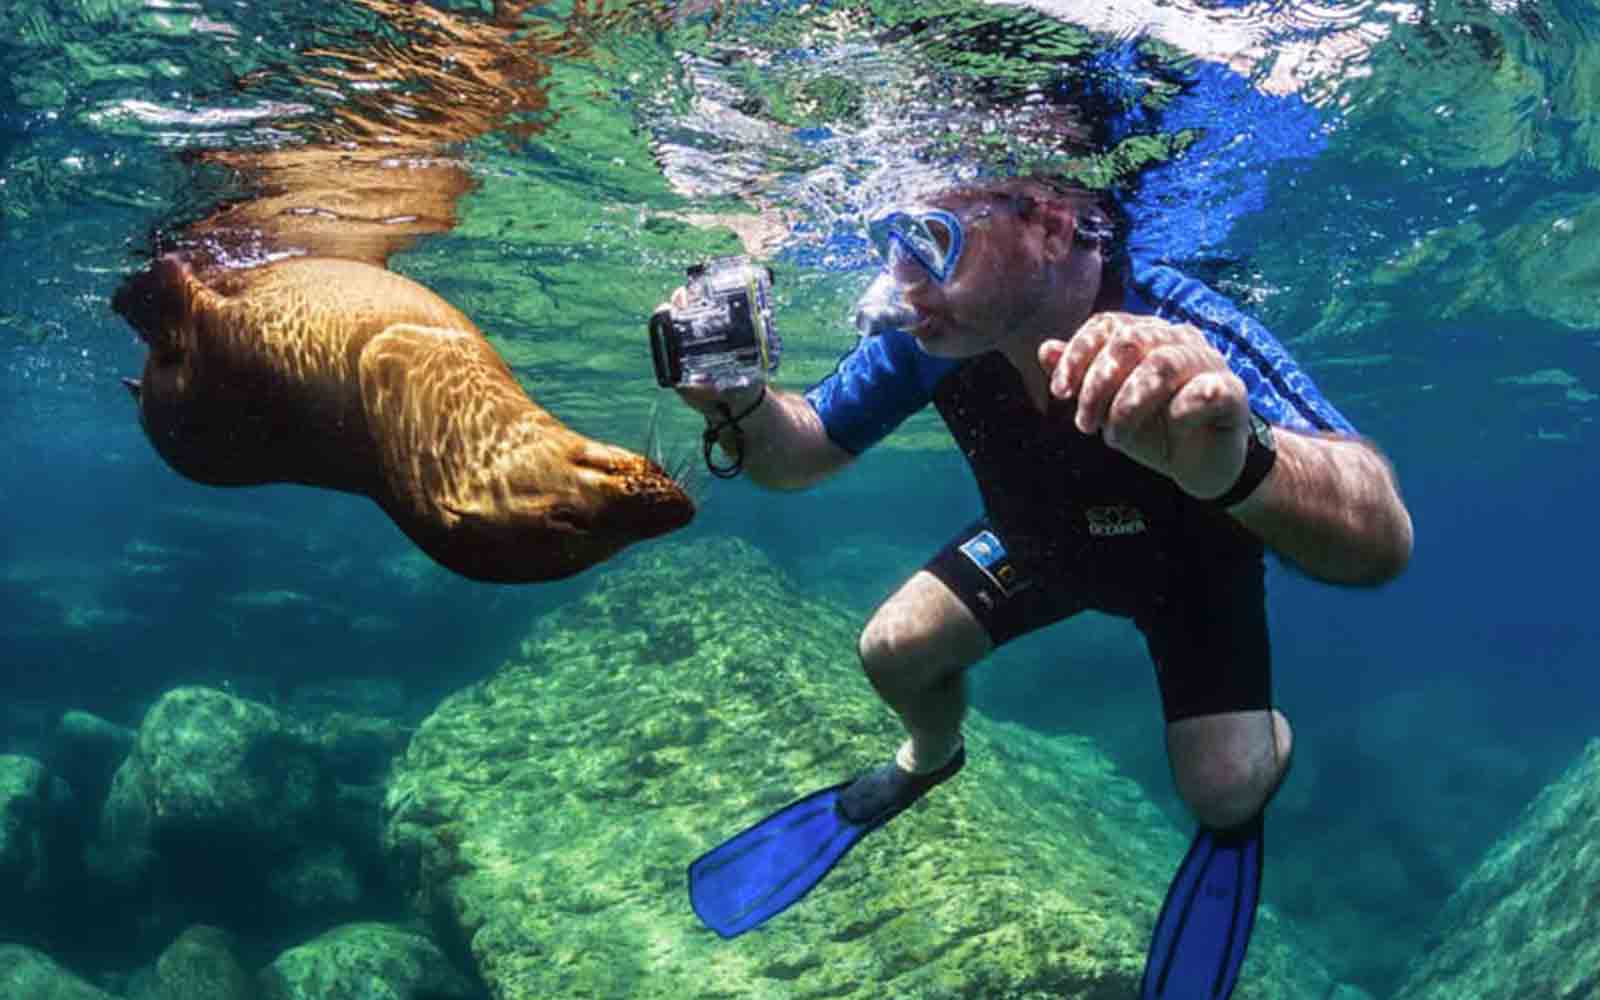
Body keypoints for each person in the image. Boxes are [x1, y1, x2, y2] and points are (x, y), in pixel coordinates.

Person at [676, 174, 1413, 995]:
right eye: (890, 244)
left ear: (1054, 226)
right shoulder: (935, 336)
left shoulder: (1175, 320)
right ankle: (928, 758)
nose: (898, 282)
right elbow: (803, 450)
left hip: (1193, 574)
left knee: (1225, 791)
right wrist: (737, 403)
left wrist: (1245, 460)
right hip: (1039, 547)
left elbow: (1382, 533)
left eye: (930, 240)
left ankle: (1263, 747)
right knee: (891, 651)